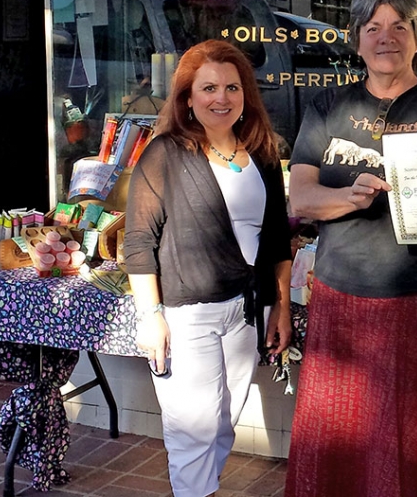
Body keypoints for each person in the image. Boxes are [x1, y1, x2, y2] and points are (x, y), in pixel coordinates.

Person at [285, 0, 417, 497]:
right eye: (373, 28)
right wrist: (351, 199)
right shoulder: (328, 107)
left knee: (413, 442)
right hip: (343, 295)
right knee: (344, 438)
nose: (386, 38)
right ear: (356, 40)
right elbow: (300, 202)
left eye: (399, 26)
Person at [123, 39, 293, 497]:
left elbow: (277, 236)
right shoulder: (165, 155)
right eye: (209, 88)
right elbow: (139, 241)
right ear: (188, 98)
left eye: (232, 87)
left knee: (221, 429)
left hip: (244, 314)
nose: (222, 98)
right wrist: (151, 316)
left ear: (246, 95)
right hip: (187, 315)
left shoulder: (260, 151)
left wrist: (282, 306)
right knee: (192, 435)